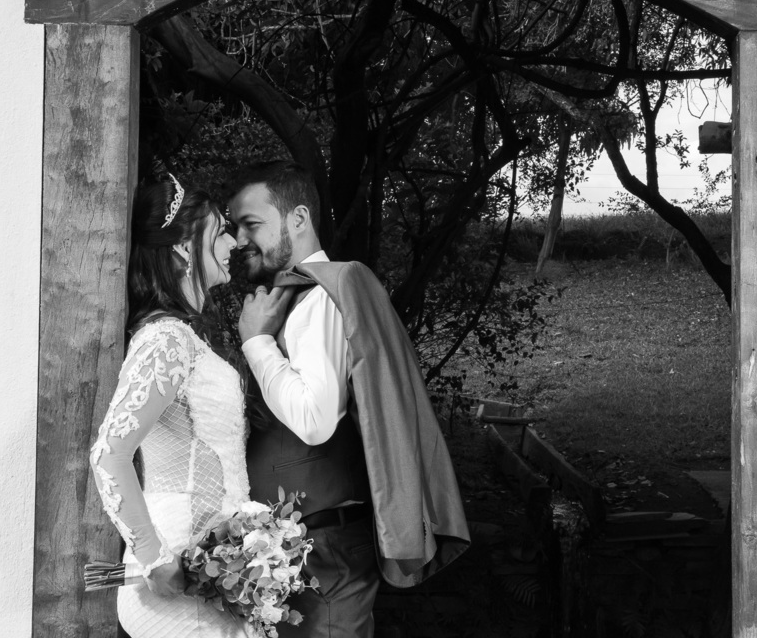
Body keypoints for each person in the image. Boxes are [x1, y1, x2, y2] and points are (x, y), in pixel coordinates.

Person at [229, 161, 471, 638]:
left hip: (325, 550)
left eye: (251, 224)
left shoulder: (322, 298)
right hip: (300, 547)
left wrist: (256, 342)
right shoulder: (298, 299)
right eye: (236, 227)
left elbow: (315, 419)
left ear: (298, 218)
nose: (239, 240)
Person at [89, 174, 251, 638]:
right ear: (183, 247)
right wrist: (154, 557)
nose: (234, 243)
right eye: (220, 232)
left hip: (213, 571)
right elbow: (109, 454)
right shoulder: (165, 341)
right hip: (178, 572)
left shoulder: (185, 338)